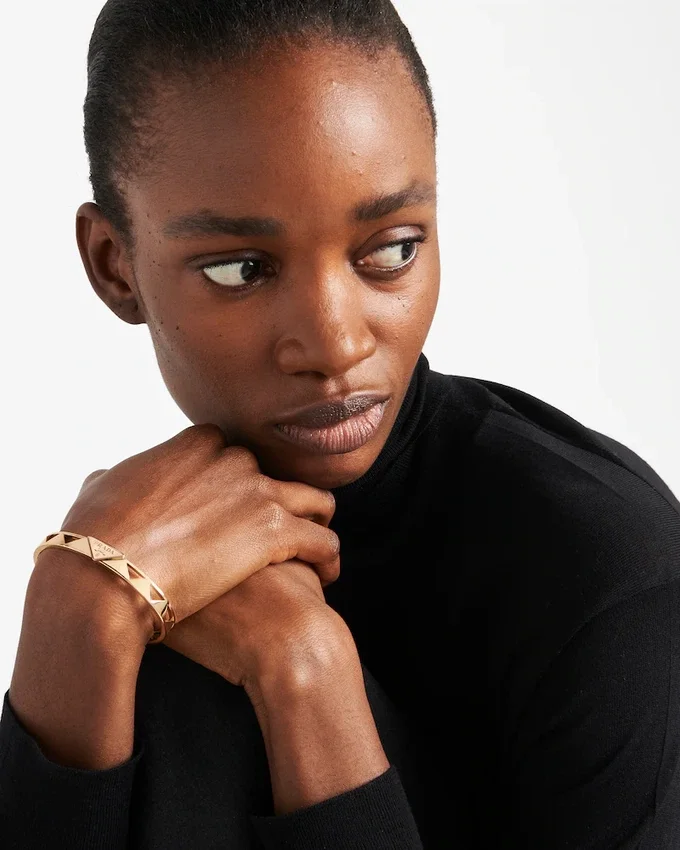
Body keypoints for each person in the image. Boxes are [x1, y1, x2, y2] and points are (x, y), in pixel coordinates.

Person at [2, 0, 680, 847]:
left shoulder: (607, 579)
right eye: (241, 269)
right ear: (115, 267)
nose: (336, 344)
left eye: (392, 249)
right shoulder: (129, 562)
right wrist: (78, 603)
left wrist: (307, 678)